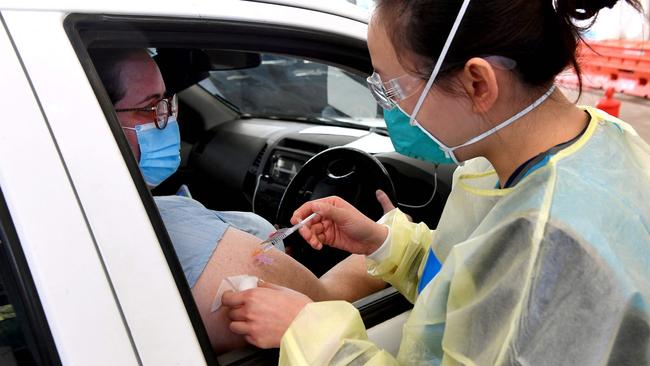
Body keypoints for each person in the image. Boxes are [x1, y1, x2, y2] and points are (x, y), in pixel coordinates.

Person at [221, 0, 650, 364]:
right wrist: (385, 243)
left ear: (478, 82)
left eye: (391, 86)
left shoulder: (552, 245)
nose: (391, 108)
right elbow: (473, 279)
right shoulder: (561, 149)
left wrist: (309, 332)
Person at [88, 48, 387, 354]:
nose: (165, 118)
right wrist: (387, 244)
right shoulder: (170, 229)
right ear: (96, 121)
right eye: (149, 108)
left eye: (167, 102)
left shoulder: (87, 213)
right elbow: (323, 305)